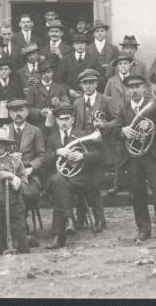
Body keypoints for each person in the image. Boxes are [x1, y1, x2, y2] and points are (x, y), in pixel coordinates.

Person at [108, 75, 156, 242]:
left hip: (153, 157)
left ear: (144, 88)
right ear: (127, 90)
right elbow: (114, 131)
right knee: (138, 194)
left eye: (138, 87)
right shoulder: (123, 108)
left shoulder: (154, 107)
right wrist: (123, 131)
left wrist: (151, 128)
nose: (135, 90)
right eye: (131, 87)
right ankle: (144, 229)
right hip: (133, 158)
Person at [43, 103, 102, 249]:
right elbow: (44, 161)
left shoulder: (82, 135)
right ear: (56, 121)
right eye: (60, 119)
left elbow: (98, 155)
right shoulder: (52, 139)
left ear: (72, 119)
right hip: (60, 178)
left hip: (80, 180)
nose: (63, 122)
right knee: (58, 182)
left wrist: (82, 155)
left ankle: (58, 235)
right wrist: (57, 152)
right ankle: (69, 219)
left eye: (66, 118)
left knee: (59, 186)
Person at [73, 69, 118, 232]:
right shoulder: (77, 103)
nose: (88, 86)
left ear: (97, 84)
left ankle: (100, 219)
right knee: (80, 182)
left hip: (100, 149)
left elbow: (117, 120)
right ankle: (80, 217)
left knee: (95, 184)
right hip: (82, 148)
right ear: (81, 85)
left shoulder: (106, 100)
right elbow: (75, 125)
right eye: (85, 83)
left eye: (91, 82)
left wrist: (104, 125)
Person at [5, 99, 45, 236]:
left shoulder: (35, 131)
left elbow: (41, 156)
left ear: (27, 112)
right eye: (14, 111)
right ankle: (13, 225)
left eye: (21, 110)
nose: (18, 114)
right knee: (5, 193)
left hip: (29, 174)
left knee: (30, 193)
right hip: (9, 174)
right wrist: (9, 156)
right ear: (9, 113)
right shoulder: (4, 130)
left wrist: (31, 168)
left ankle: (22, 222)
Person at [103, 53, 137, 196]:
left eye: (125, 64)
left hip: (134, 119)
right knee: (118, 153)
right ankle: (118, 184)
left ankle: (136, 184)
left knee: (135, 152)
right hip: (117, 120)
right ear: (117, 67)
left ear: (130, 65)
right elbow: (105, 99)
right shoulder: (112, 81)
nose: (123, 66)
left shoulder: (135, 80)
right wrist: (111, 116)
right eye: (120, 64)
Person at [27, 60, 69, 140]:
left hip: (57, 126)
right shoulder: (32, 89)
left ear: (52, 73)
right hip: (39, 126)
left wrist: (59, 103)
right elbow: (27, 109)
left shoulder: (59, 87)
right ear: (39, 75)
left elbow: (68, 105)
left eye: (48, 72)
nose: (46, 75)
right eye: (43, 73)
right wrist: (39, 112)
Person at [56, 33, 100, 101]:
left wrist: (90, 89)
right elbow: (59, 79)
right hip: (70, 96)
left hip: (88, 95)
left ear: (86, 44)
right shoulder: (66, 59)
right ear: (73, 45)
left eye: (82, 43)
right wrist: (69, 90)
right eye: (77, 43)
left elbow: (100, 77)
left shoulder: (93, 59)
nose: (80, 45)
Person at [87, 20, 119, 92]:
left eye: (102, 31)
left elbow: (118, 65)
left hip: (110, 82)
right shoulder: (88, 49)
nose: (100, 33)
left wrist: (110, 67)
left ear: (106, 33)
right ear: (93, 34)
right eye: (97, 31)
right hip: (93, 82)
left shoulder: (114, 49)